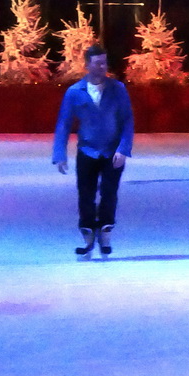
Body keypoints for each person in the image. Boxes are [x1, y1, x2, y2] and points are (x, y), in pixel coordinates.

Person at [52, 44, 134, 256]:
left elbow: (127, 120)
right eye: (97, 63)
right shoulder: (75, 92)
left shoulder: (118, 89)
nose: (102, 67)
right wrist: (59, 154)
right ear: (87, 65)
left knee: (109, 193)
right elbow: (64, 123)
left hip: (112, 152)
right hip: (87, 151)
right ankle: (88, 233)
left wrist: (123, 148)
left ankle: (106, 231)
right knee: (85, 195)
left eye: (104, 63)